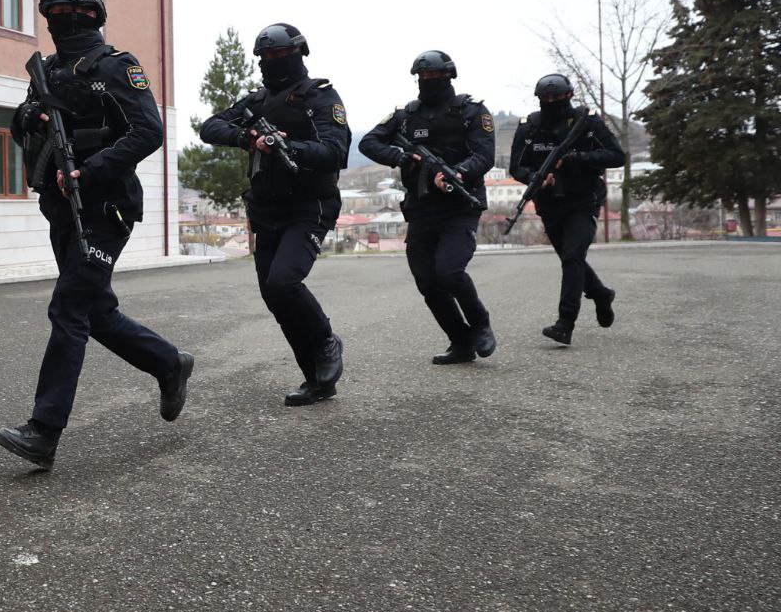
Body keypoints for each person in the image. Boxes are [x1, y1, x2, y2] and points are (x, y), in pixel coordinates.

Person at [0, 0, 193, 470]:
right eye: (53, 12)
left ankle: (43, 430)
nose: (61, 19)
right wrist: (31, 117)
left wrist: (92, 167)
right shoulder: (50, 70)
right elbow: (18, 125)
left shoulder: (115, 66)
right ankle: (169, 363)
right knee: (95, 312)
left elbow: (149, 131)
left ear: (93, 15)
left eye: (70, 11)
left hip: (105, 209)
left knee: (69, 309)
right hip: (59, 207)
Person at [199, 24, 351, 405]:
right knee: (274, 295)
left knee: (284, 283)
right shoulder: (257, 100)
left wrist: (287, 144)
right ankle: (316, 380)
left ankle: (327, 342)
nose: (270, 63)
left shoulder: (320, 96)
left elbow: (335, 152)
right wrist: (246, 137)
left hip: (309, 206)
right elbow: (210, 126)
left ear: (298, 54)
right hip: (267, 210)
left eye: (278, 56)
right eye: (264, 58)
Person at [359, 51, 497, 365]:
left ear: (450, 76)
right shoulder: (407, 115)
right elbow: (368, 142)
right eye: (423, 78)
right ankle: (460, 342)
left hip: (460, 205)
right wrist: (400, 157)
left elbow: (484, 155)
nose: (429, 82)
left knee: (449, 271)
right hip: (421, 209)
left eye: (435, 77)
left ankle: (480, 324)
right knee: (428, 282)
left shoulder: (471, 111)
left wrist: (458, 172)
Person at [509, 73, 625, 345]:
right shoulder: (529, 127)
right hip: (549, 203)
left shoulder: (587, 122)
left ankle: (565, 323)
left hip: (584, 199)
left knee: (573, 257)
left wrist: (578, 158)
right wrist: (537, 176)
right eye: (546, 98)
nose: (552, 102)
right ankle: (599, 293)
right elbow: (516, 166)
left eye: (557, 97)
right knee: (570, 259)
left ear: (569, 96)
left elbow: (616, 156)